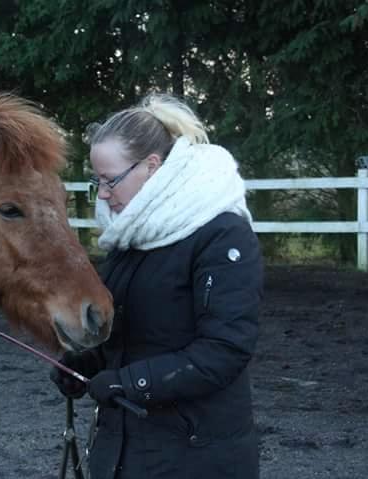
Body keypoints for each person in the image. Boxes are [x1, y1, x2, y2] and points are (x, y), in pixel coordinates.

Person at [50, 93, 263, 478]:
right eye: (95, 181)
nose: (102, 194)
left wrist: (130, 383)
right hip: (122, 451)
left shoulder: (222, 235)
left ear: (151, 167)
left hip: (195, 456)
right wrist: (85, 363)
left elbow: (224, 350)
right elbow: (132, 332)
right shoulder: (127, 238)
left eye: (109, 180)